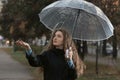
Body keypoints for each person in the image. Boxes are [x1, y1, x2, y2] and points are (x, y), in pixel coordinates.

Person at [16, 28, 85, 80]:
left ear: (65, 40)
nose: (55, 38)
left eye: (59, 36)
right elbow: (34, 62)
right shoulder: (48, 54)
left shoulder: (70, 56)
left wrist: (69, 60)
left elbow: (73, 76)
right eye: (54, 36)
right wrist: (28, 49)